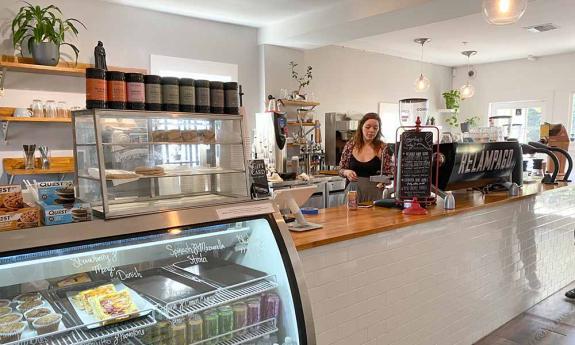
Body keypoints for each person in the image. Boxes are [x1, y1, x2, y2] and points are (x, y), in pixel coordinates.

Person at [338, 113, 393, 203]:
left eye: (375, 128)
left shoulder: (383, 148)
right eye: (368, 127)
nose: (371, 130)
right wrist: (346, 172)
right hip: (353, 192)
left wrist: (384, 181)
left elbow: (390, 173)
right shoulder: (350, 145)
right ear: (361, 127)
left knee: (373, 217)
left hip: (375, 193)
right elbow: (340, 170)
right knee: (351, 216)